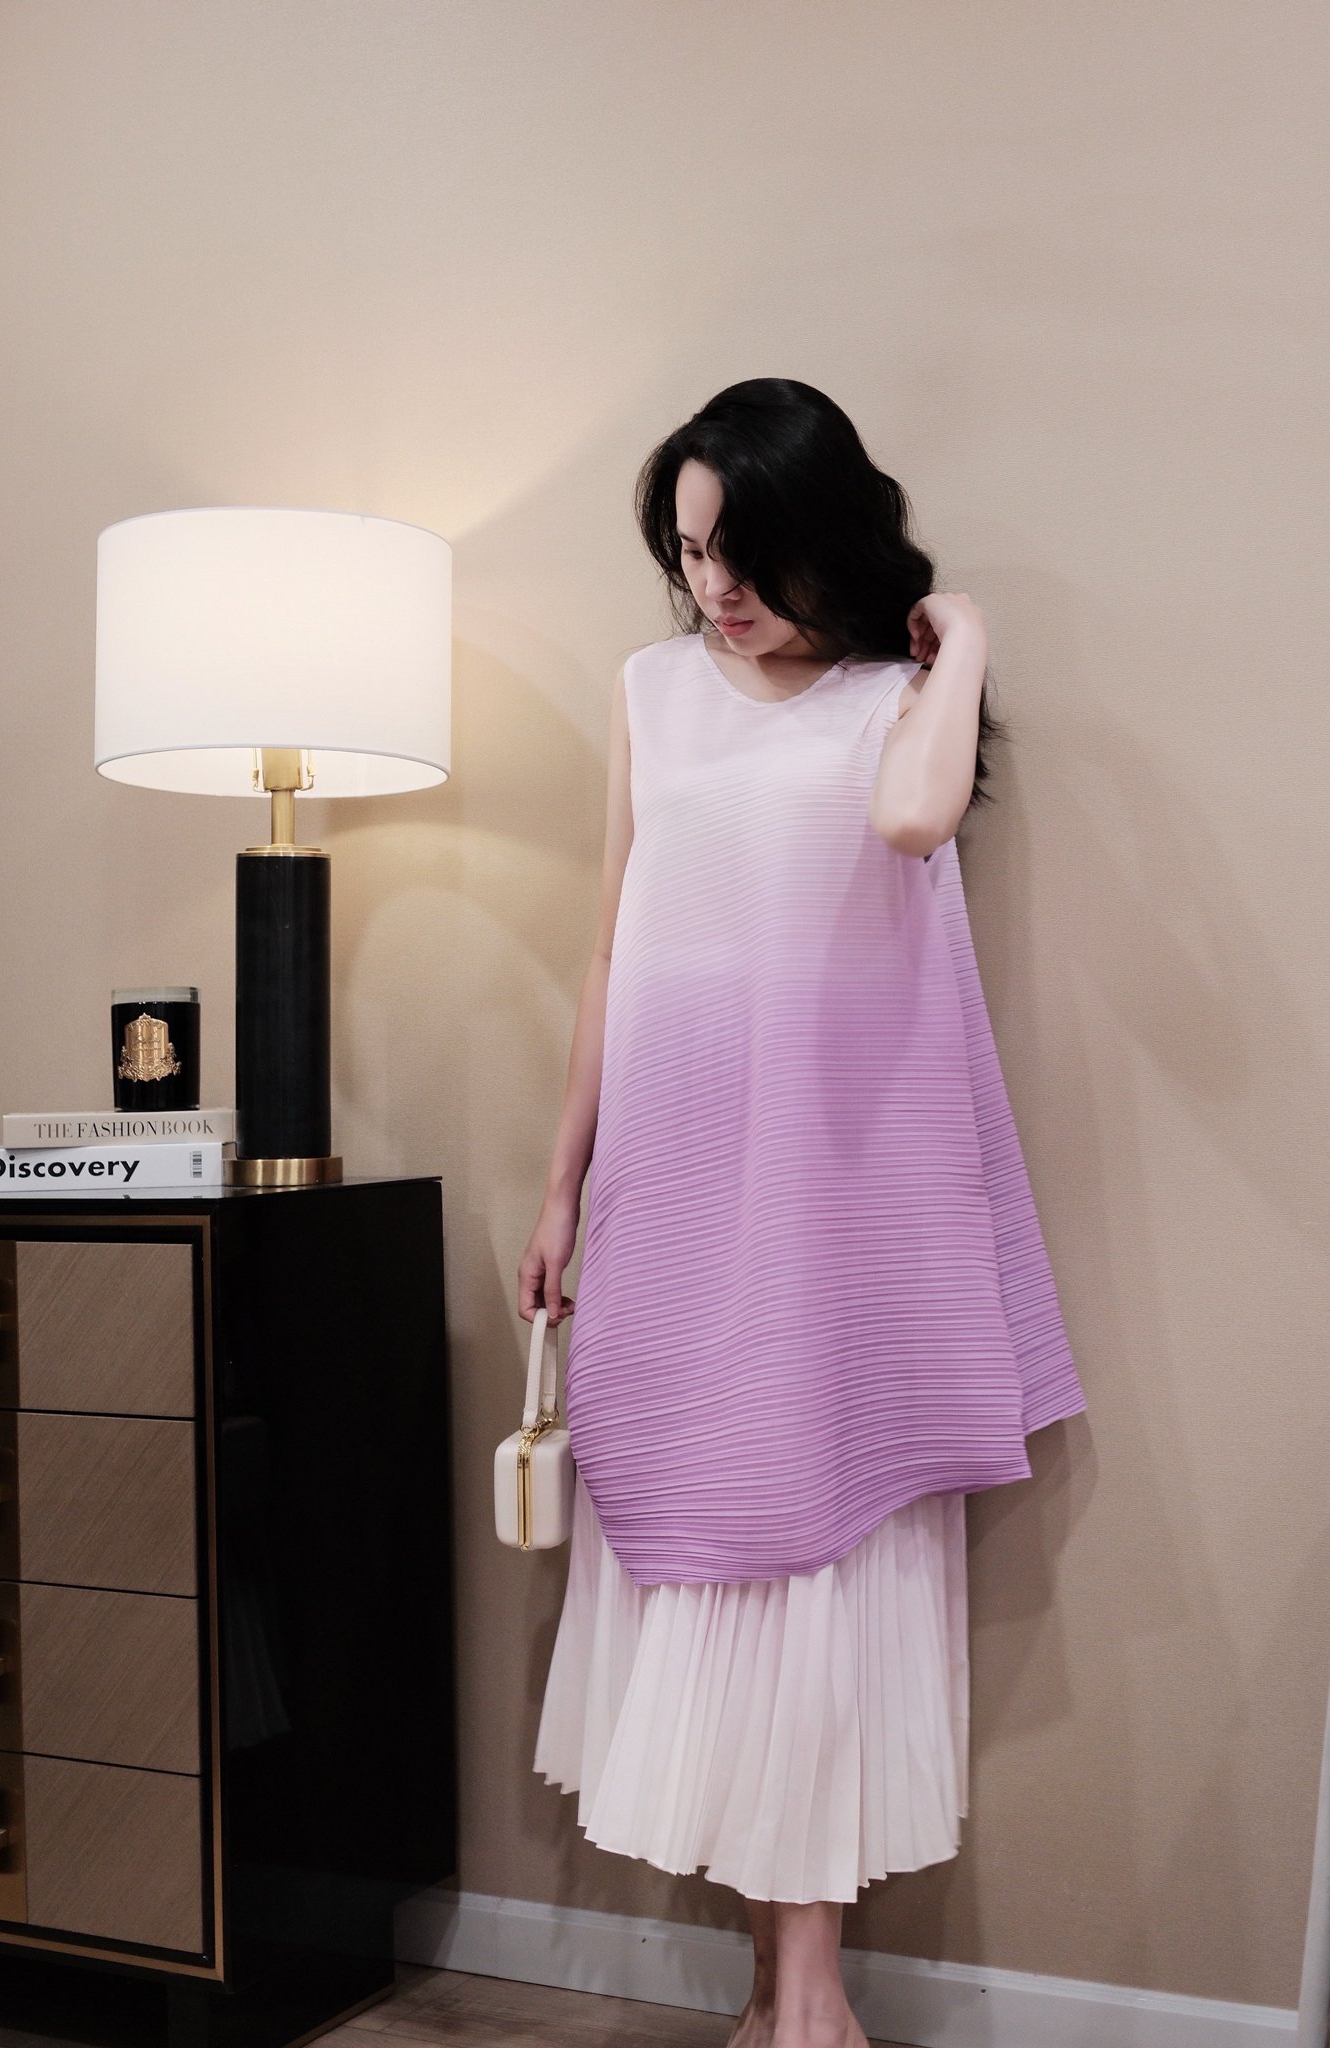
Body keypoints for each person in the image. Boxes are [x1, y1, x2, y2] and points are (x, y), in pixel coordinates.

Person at [519, 377, 1086, 2048]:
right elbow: (612, 940)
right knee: (703, 1530)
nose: (714, 587)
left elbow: (910, 820)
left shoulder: (890, 704)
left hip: (833, 1190)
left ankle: (810, 2005)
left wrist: (959, 637)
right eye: (690, 552)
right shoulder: (648, 690)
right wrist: (558, 1183)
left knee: (815, 1545)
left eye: (743, 552)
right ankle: (781, 1992)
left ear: (822, 537)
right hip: (672, 1175)